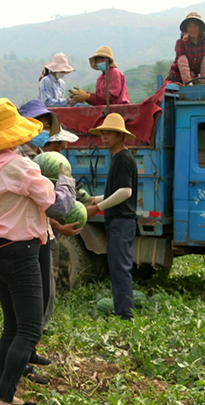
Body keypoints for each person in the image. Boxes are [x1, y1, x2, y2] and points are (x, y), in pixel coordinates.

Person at [0, 99, 55, 405]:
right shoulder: (19, 166)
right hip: (22, 251)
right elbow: (47, 196)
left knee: (12, 327)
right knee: (30, 329)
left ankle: (4, 395)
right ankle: (3, 400)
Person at [16, 100, 80, 386]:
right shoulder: (18, 157)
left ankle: (28, 351)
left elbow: (43, 204)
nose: (40, 128)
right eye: (35, 122)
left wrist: (56, 225)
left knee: (45, 298)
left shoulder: (40, 154)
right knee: (28, 309)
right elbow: (46, 203)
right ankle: (21, 363)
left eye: (44, 123)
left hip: (43, 233)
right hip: (25, 238)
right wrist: (66, 186)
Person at [84, 113, 138, 320]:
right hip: (118, 220)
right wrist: (96, 199)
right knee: (117, 267)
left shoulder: (123, 158)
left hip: (122, 221)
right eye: (103, 133)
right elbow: (117, 190)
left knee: (120, 268)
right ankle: (122, 310)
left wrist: (99, 207)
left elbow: (126, 192)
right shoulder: (118, 157)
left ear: (120, 135)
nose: (104, 137)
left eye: (108, 133)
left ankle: (125, 315)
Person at [167, 12, 205, 85]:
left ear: (199, 28)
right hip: (178, 78)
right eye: (190, 27)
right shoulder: (181, 42)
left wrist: (204, 81)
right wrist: (188, 82)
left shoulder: (204, 42)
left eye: (195, 26)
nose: (192, 29)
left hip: (195, 77)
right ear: (186, 29)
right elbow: (182, 62)